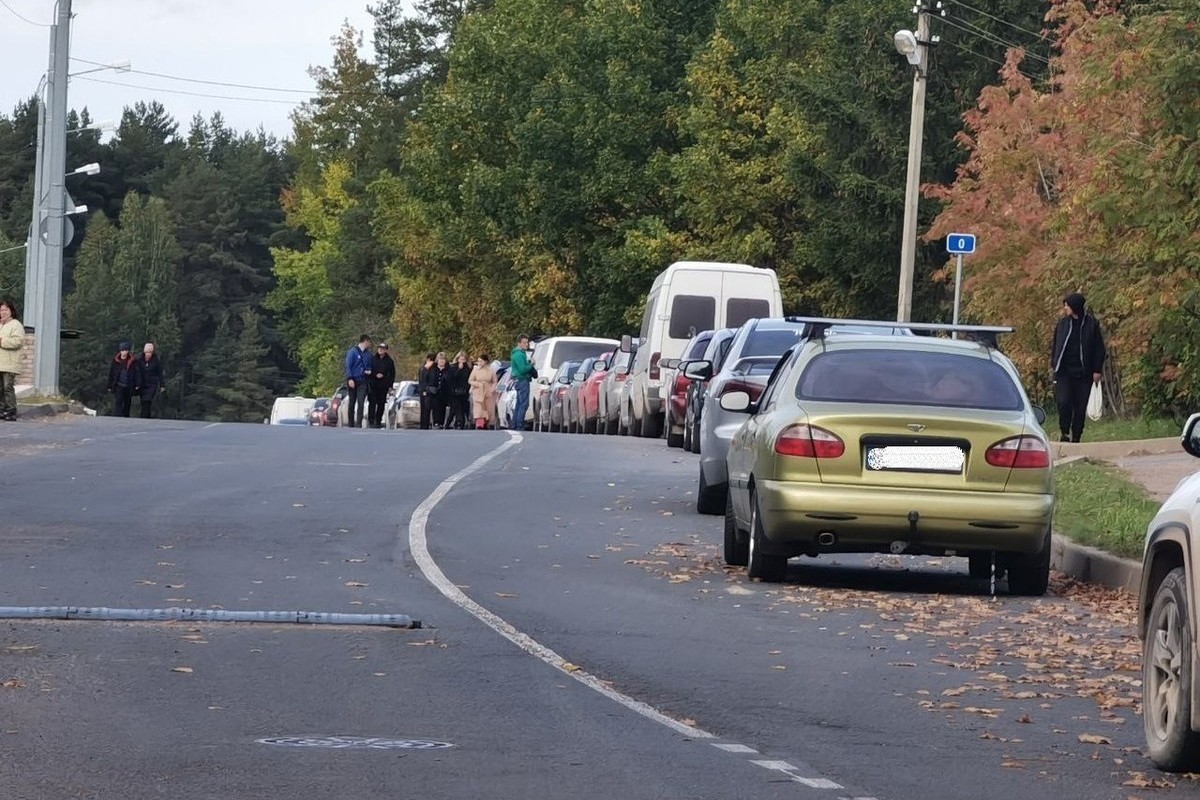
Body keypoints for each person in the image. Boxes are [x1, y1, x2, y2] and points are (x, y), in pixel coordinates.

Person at [1050, 292, 1106, 443]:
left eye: (1067, 305)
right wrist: (1054, 364)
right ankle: (1064, 431)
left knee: (1080, 407)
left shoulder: (1091, 324)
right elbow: (1056, 345)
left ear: (1075, 307)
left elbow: (1099, 348)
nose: (1065, 308)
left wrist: (1097, 369)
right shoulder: (1062, 324)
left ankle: (1076, 436)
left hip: (1084, 373)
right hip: (1064, 372)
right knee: (1064, 402)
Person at [0, 299, 25, 422]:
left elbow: (18, 342)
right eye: (1, 310)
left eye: (6, 309)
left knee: (7, 387)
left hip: (9, 363)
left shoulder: (16, 325)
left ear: (11, 311)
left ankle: (11, 410)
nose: (3, 312)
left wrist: (2, 342)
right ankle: (1, 410)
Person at [344, 335, 372, 429]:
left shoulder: (368, 354)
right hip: (353, 380)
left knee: (361, 402)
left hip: (363, 381)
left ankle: (359, 423)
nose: (370, 344)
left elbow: (369, 365)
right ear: (365, 341)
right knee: (352, 402)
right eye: (369, 342)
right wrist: (350, 378)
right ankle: (351, 423)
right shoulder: (353, 352)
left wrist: (369, 371)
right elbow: (348, 366)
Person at [509, 334, 535, 431]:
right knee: (524, 403)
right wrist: (531, 364)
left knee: (519, 403)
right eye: (524, 342)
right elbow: (523, 369)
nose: (526, 344)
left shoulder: (519, 353)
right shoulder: (519, 355)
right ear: (519, 343)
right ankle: (519, 424)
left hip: (520, 380)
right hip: (522, 379)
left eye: (527, 342)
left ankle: (515, 424)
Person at [367, 341, 396, 429]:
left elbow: (392, 374)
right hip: (373, 384)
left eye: (382, 349)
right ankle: (371, 420)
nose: (380, 350)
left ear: (386, 350)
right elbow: (368, 370)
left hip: (383, 385)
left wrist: (390, 385)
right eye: (379, 348)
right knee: (372, 403)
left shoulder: (389, 361)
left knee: (381, 403)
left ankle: (378, 420)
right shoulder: (372, 359)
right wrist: (375, 374)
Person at [134, 342, 165, 419]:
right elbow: (137, 373)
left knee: (147, 400)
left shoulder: (156, 361)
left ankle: (145, 417)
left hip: (151, 384)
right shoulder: (139, 361)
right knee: (143, 401)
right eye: (147, 352)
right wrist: (136, 383)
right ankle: (144, 417)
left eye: (150, 352)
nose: (148, 354)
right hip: (142, 384)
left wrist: (162, 385)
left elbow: (159, 374)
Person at [106, 341, 137, 417]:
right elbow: (111, 373)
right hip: (118, 384)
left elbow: (136, 373)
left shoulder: (132, 361)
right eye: (122, 350)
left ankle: (126, 417)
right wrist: (109, 385)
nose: (124, 352)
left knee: (127, 402)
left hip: (128, 384)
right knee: (118, 401)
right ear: (120, 351)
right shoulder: (116, 360)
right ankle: (118, 417)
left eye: (126, 350)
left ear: (128, 351)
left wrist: (137, 383)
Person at [469, 353, 497, 430]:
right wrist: (477, 384)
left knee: (489, 407)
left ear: (485, 361)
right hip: (478, 390)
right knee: (478, 408)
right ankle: (480, 423)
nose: (479, 363)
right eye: (478, 361)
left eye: (481, 361)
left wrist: (492, 388)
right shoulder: (475, 370)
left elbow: (495, 381)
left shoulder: (491, 370)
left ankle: (490, 423)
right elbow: (470, 380)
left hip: (488, 390)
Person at [447, 351, 472, 429]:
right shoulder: (452, 367)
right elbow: (451, 378)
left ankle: (460, 423)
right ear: (457, 359)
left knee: (463, 408)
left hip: (464, 392)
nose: (462, 361)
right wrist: (458, 369)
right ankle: (458, 423)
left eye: (464, 359)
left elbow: (469, 380)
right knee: (456, 409)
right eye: (461, 359)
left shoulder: (468, 368)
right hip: (454, 392)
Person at [417, 352, 438, 429]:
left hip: (433, 390)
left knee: (434, 409)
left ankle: (435, 424)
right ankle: (424, 425)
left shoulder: (435, 368)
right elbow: (422, 380)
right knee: (425, 409)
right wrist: (426, 368)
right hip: (425, 391)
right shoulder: (423, 368)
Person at [431, 351, 450, 428]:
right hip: (435, 391)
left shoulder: (448, 369)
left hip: (444, 391)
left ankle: (441, 423)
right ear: (437, 360)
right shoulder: (433, 369)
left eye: (443, 359)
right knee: (435, 407)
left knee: (442, 408)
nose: (442, 361)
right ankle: (436, 422)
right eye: (440, 359)